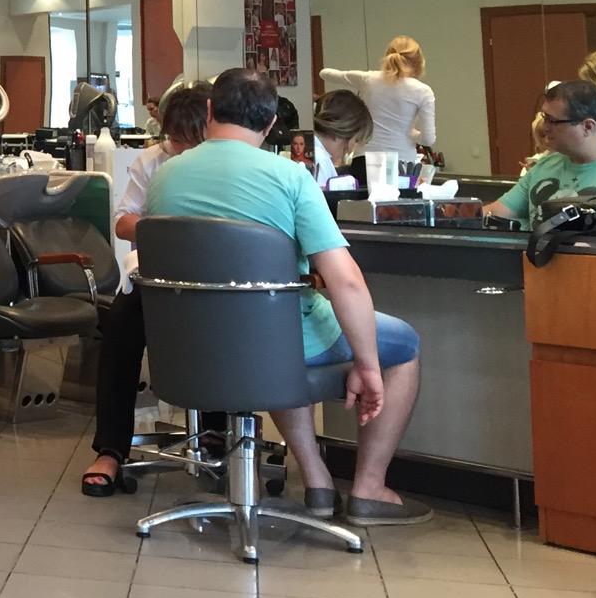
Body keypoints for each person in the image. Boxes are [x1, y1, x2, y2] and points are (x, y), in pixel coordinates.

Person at [146, 68, 431, 525]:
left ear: (210, 110)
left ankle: (317, 479)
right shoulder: (289, 177)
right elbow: (346, 282)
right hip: (274, 340)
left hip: (191, 346)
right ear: (272, 121)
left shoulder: (166, 176)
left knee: (274, 322)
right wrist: (367, 365)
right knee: (402, 344)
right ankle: (369, 489)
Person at [81, 81, 210, 496]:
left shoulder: (224, 164)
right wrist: (167, 228)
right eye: (175, 140)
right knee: (119, 325)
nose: (181, 149)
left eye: (190, 140)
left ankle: (217, 437)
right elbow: (123, 222)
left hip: (212, 278)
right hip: (157, 276)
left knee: (219, 329)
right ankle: (111, 448)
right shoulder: (152, 162)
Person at [485, 80, 596, 227]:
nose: (544, 127)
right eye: (545, 118)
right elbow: (495, 212)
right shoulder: (544, 166)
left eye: (552, 121)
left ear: (587, 126)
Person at [320, 36, 436, 160]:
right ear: (418, 62)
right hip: (402, 160)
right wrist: (411, 133)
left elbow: (324, 73)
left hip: (364, 158)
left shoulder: (367, 79)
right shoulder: (423, 91)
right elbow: (428, 139)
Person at [311, 89, 375, 189]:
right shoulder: (320, 160)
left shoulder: (312, 151)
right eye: (356, 140)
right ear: (343, 131)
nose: (352, 149)